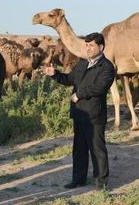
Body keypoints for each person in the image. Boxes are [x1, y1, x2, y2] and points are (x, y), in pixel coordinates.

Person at [41, 32, 116, 190]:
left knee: (97, 150)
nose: (88, 48)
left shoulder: (107, 67)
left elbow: (99, 87)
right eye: (87, 45)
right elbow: (70, 79)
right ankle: (78, 179)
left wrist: (78, 95)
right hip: (80, 113)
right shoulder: (82, 63)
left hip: (94, 115)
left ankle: (101, 183)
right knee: (79, 149)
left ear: (101, 47)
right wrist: (55, 75)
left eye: (91, 45)